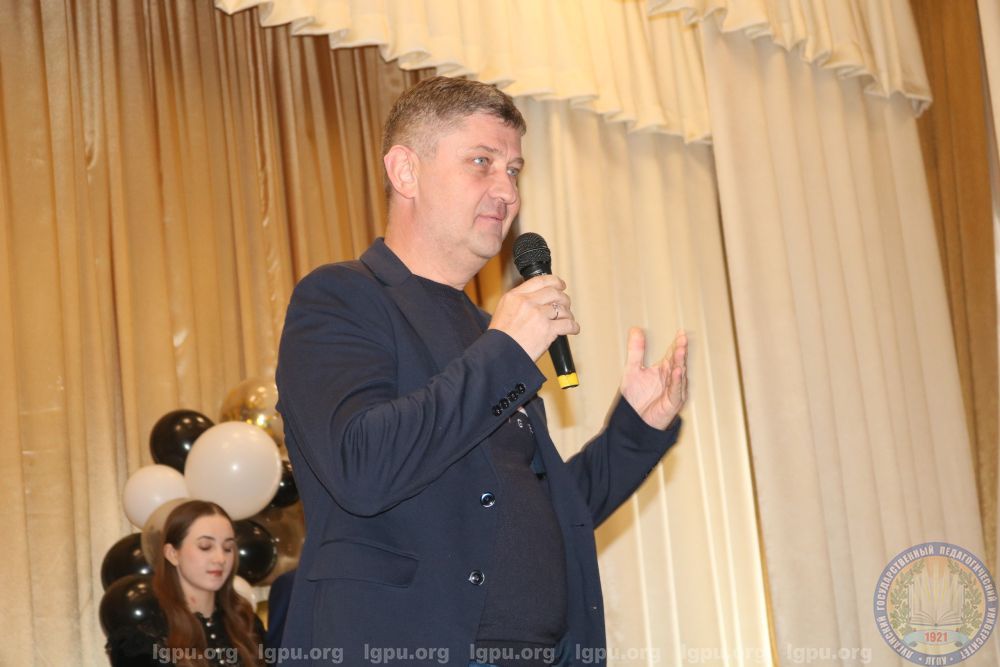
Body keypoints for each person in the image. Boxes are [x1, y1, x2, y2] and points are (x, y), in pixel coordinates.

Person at [275, 76, 688, 667]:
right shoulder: (342, 296)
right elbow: (361, 466)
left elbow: (546, 510)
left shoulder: (485, 331)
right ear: (406, 171)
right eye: (481, 162)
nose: (507, 191)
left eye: (514, 170)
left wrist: (636, 430)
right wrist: (506, 351)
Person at [105, 500, 266, 666]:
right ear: (172, 553)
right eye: (205, 546)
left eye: (228, 548)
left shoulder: (247, 626)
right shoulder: (145, 640)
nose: (220, 559)